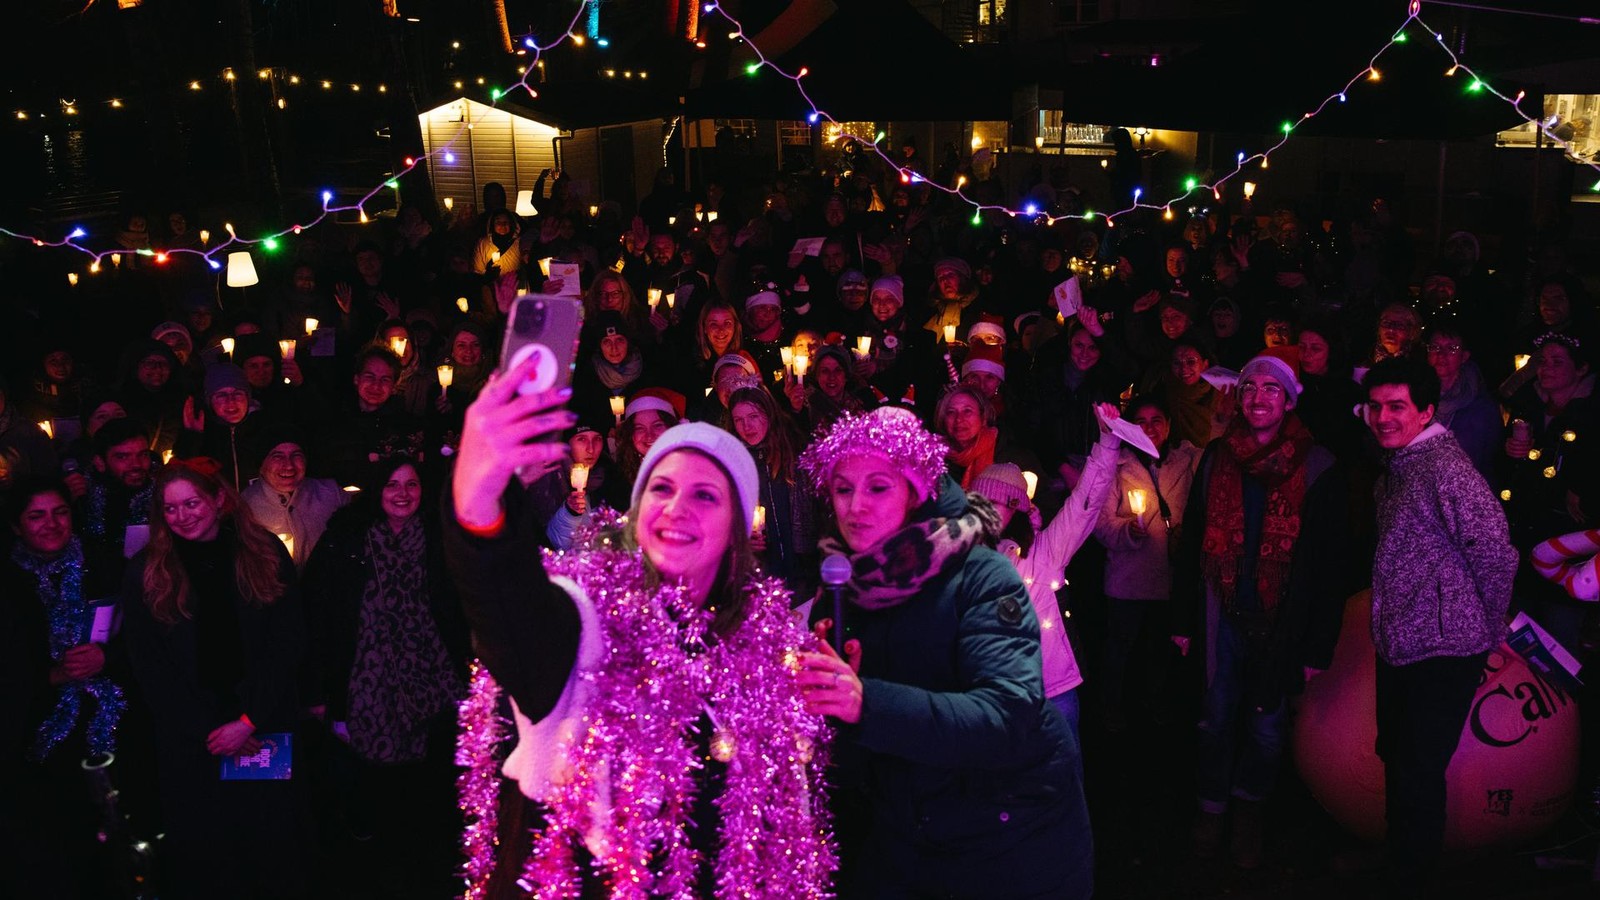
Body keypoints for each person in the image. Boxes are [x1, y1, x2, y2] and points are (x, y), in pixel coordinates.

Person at [445, 359, 832, 897]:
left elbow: (791, 822)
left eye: (705, 495)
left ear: (737, 530)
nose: (676, 508)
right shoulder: (584, 615)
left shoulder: (769, 649)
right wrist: (479, 499)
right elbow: (509, 608)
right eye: (661, 488)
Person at [794, 406, 1092, 898]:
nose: (855, 506)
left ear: (916, 490)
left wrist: (866, 701)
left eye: (878, 487)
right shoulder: (846, 583)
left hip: (1010, 833)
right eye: (843, 488)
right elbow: (857, 747)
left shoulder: (982, 575)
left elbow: (1007, 716)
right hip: (912, 828)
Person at [1172, 348, 1348, 870]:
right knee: (1214, 716)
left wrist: (1318, 644)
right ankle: (1210, 807)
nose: (1258, 397)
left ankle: (1248, 808)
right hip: (1221, 611)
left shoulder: (1318, 467)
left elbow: (1330, 565)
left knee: (1266, 723)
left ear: (1290, 399)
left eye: (1272, 388)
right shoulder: (1216, 459)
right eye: (1249, 387)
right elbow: (1191, 544)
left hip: (1282, 621)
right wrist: (1183, 620)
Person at [1361, 356, 1517, 899]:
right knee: (1398, 759)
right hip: (1403, 642)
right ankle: (1399, 857)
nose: (1382, 417)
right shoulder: (1400, 463)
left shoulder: (1446, 468)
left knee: (1417, 771)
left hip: (1444, 648)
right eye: (1375, 406)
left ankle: (1410, 881)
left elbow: (1496, 551)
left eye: (1396, 406)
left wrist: (1488, 624)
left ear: (1426, 410)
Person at [119, 458, 306, 898]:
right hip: (192, 739)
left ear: (218, 499)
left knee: (268, 844)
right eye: (170, 508)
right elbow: (148, 666)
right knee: (207, 852)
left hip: (261, 726)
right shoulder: (146, 571)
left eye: (191, 503)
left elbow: (288, 641)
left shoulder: (262, 551)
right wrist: (210, 728)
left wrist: (247, 721)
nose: (181, 516)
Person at [303, 455, 468, 897]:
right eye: (392, 484)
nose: (401, 493)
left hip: (434, 684)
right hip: (365, 685)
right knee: (374, 787)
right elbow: (320, 616)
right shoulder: (347, 538)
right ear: (378, 490)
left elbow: (458, 611)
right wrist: (320, 688)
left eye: (411, 484)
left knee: (429, 787)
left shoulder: (440, 539)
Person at [2, 478, 128, 898]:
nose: (51, 524)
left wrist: (106, 658)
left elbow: (149, 637)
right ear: (17, 526)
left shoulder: (105, 563)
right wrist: (49, 676)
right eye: (36, 516)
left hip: (113, 718)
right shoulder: (8, 580)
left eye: (60, 512)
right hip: (36, 732)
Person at [1094, 394, 1203, 732]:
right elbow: (1100, 523)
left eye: (1157, 420)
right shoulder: (1116, 465)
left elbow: (1221, 461)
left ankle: (1154, 706)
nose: (1150, 427)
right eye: (1140, 421)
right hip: (1128, 579)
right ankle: (1110, 709)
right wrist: (1129, 531)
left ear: (1169, 425)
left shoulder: (1187, 461)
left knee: (1161, 650)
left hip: (1169, 579)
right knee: (1120, 648)